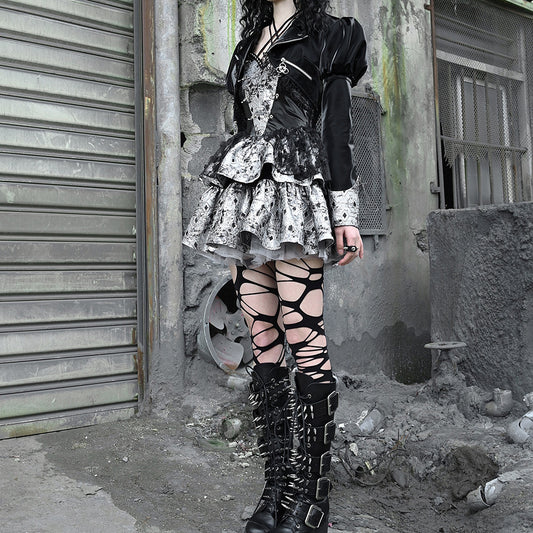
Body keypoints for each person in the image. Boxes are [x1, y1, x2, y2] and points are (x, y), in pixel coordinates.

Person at [183, 0, 367, 531]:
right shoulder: (249, 42)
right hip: (246, 199)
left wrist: (344, 213)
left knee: (303, 335)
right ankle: (278, 490)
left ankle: (313, 500)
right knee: (262, 339)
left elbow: (336, 128)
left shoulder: (333, 35)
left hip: (295, 193)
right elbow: (246, 122)